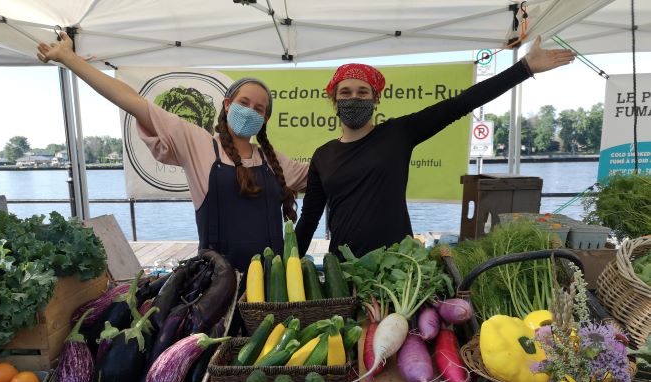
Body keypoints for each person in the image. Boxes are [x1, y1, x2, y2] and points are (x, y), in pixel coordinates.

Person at [37, 32, 308, 274]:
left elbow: (330, 171)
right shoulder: (199, 144)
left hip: (275, 284)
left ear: (265, 119)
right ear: (227, 105)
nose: (250, 111)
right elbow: (133, 102)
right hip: (218, 286)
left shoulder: (274, 162)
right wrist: (70, 59)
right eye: (243, 103)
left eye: (259, 109)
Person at [294, 36, 576, 259]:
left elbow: (459, 104)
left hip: (400, 262)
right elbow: (309, 220)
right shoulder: (323, 155)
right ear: (334, 100)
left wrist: (523, 68)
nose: (354, 98)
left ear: (375, 99)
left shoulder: (398, 133)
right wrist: (285, 263)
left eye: (362, 92)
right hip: (344, 267)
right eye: (346, 92)